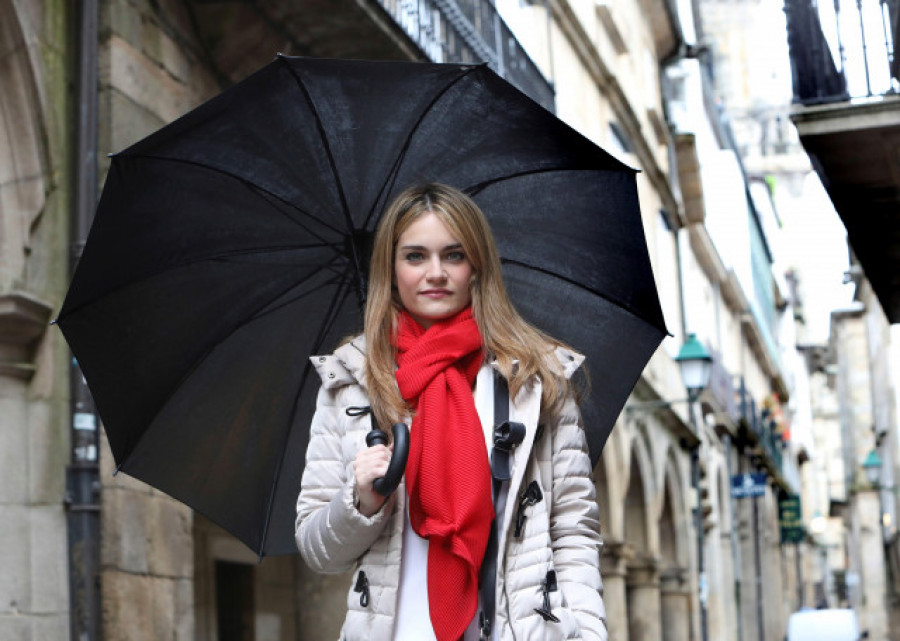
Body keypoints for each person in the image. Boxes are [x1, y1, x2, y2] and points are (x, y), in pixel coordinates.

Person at [295, 183, 607, 641]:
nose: (435, 273)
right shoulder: (353, 381)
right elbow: (318, 552)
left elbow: (573, 530)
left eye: (454, 255)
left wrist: (587, 635)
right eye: (416, 256)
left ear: (477, 266)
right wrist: (361, 500)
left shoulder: (535, 380)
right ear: (392, 268)